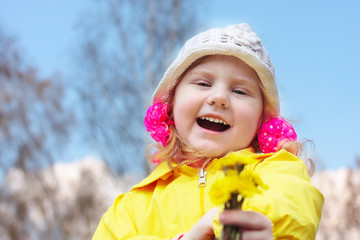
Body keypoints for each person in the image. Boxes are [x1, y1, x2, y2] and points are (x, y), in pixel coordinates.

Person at [92, 23, 323, 240]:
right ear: (171, 106)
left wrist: (234, 226)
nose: (220, 98)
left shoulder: (278, 171)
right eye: (203, 83)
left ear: (261, 118)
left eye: (240, 91)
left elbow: (291, 205)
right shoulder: (133, 206)